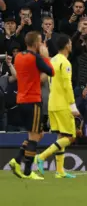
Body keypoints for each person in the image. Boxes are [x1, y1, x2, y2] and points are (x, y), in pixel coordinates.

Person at [9, 31, 54, 180]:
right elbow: (51, 72)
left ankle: (16, 160)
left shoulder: (18, 56)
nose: (42, 44)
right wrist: (46, 56)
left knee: (38, 134)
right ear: (35, 44)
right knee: (34, 137)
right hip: (33, 100)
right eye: (40, 41)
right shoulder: (36, 58)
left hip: (21, 100)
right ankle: (28, 171)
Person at [31, 34, 78, 178]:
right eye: (70, 43)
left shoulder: (53, 60)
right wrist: (72, 105)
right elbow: (67, 85)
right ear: (67, 45)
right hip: (63, 104)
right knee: (71, 137)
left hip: (52, 103)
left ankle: (60, 170)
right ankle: (41, 157)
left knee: (61, 136)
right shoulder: (65, 63)